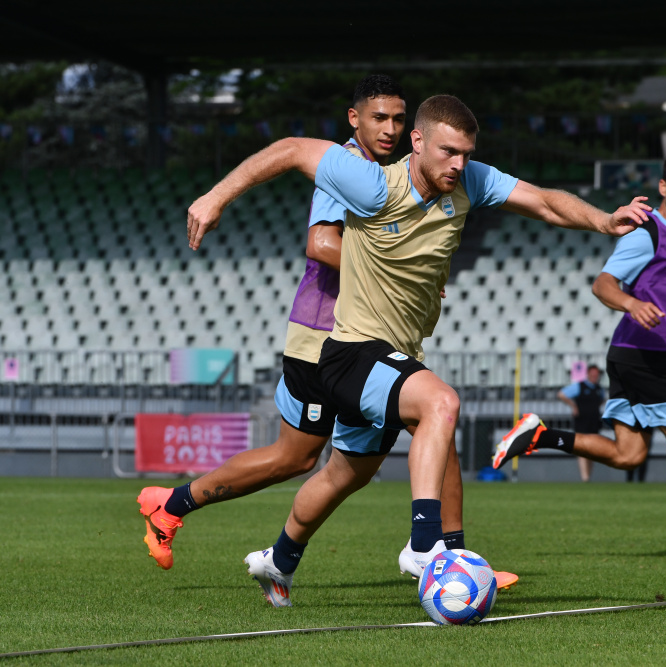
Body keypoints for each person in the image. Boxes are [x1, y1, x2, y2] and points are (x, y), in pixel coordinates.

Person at [186, 94, 651, 606]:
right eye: (448, 151)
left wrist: (604, 221)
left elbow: (542, 200)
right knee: (441, 404)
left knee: (345, 474)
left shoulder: (469, 180)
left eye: (466, 154)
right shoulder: (371, 182)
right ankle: (426, 547)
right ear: (417, 142)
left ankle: (278, 562)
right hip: (351, 350)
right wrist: (216, 197)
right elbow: (294, 149)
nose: (459, 163)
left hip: (395, 353)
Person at [138, 77, 518, 591]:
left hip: (366, 336)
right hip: (324, 335)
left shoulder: (394, 176)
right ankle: (440, 555)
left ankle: (248, 543)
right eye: (378, 118)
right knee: (334, 449)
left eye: (399, 119)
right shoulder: (345, 171)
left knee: (348, 463)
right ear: (353, 119)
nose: (390, 128)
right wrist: (400, 268)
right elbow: (320, 242)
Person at [492, 154, 666, 563]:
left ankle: (541, 436)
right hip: (650, 355)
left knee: (629, 455)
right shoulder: (647, 232)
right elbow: (603, 284)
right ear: (663, 187)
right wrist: (632, 304)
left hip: (633, 355)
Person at [557, 364, 605, 482]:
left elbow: (602, 400)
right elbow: (561, 394)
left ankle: (588, 476)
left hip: (594, 422)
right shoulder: (580, 386)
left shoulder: (599, 389)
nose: (594, 376)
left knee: (592, 450)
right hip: (582, 422)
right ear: (588, 374)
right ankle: (585, 477)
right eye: (593, 374)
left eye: (596, 374)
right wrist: (573, 405)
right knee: (583, 448)